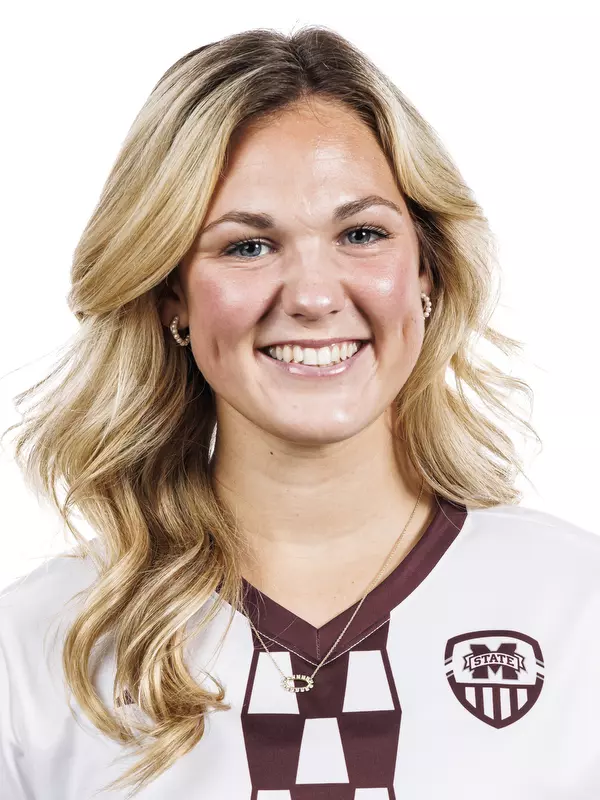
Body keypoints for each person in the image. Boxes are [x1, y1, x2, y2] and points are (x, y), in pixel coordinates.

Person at [1, 24, 599, 800]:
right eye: (247, 247)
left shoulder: (578, 605)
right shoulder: (39, 650)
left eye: (361, 234)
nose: (315, 297)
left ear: (427, 272)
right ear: (171, 293)